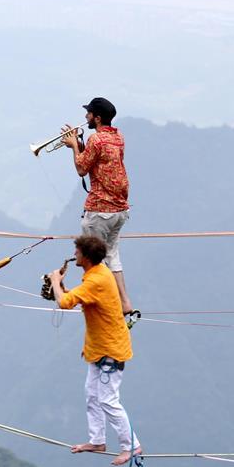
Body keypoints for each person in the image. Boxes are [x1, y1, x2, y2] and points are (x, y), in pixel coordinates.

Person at [48, 235, 141, 466]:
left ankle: (132, 446)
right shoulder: (97, 274)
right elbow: (82, 297)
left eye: (77, 251)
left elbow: (65, 303)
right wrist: (62, 288)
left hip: (111, 350)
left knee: (108, 400)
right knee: (92, 394)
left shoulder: (96, 280)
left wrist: (54, 282)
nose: (75, 255)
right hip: (99, 348)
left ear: (86, 256)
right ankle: (97, 440)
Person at [61, 97, 136, 323]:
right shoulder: (118, 137)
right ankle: (124, 303)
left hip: (99, 211)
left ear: (98, 117)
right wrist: (81, 145)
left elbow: (82, 168)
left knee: (94, 263)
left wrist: (74, 146)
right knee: (112, 256)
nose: (86, 117)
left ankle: (105, 308)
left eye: (89, 114)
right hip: (119, 210)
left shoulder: (96, 139)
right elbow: (98, 160)